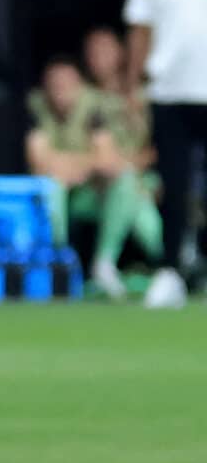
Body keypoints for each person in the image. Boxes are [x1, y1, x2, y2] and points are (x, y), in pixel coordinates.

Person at [123, 0, 207, 309]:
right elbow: (140, 29)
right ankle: (171, 270)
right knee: (173, 188)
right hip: (170, 93)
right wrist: (132, 87)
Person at [26, 53, 158, 302]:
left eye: (66, 84)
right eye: (55, 85)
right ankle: (58, 265)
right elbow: (39, 162)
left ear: (79, 84)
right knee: (52, 187)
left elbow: (107, 161)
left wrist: (72, 166)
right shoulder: (37, 107)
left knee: (130, 188)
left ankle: (113, 264)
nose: (60, 91)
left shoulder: (95, 107)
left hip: (95, 193)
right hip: (68, 196)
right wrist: (79, 165)